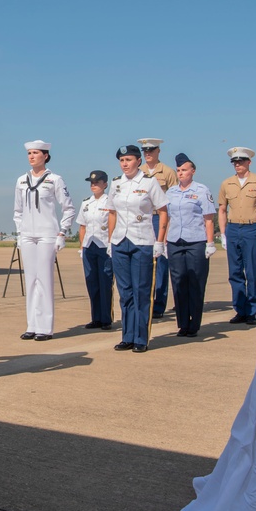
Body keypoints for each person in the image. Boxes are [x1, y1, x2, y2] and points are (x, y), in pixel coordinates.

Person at [108, 145, 168, 353]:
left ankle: (141, 337)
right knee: (125, 293)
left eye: (129, 160)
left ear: (138, 161)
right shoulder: (116, 184)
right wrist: (110, 241)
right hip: (120, 242)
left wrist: (160, 241)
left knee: (141, 291)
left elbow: (162, 211)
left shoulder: (149, 183)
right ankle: (128, 335)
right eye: (122, 160)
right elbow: (112, 213)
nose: (125, 164)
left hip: (142, 241)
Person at [13, 140, 75, 341]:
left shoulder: (55, 179)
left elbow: (68, 208)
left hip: (48, 233)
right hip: (28, 235)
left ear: (45, 156)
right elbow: (18, 211)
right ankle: (31, 324)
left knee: (44, 279)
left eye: (36, 153)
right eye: (29, 153)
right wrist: (19, 234)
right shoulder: (21, 180)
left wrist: (62, 232)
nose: (32, 156)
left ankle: (45, 327)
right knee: (30, 279)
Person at [218, 147, 256, 326]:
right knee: (235, 272)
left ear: (249, 162)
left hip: (252, 229)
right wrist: (224, 233)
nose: (238, 165)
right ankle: (239, 309)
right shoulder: (227, 183)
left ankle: (252, 310)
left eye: (241, 161)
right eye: (235, 162)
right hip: (233, 229)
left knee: (251, 271)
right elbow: (222, 209)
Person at [165, 153, 217, 337]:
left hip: (196, 241)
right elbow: (168, 218)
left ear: (193, 171)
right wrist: (164, 241)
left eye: (184, 170)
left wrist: (210, 243)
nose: (181, 173)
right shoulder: (171, 192)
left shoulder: (202, 190)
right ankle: (182, 323)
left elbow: (209, 219)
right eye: (178, 170)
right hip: (174, 242)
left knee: (195, 282)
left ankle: (194, 323)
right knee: (178, 282)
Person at [138, 138, 177, 318]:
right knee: (143, 262)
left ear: (158, 151)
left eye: (151, 150)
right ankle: (146, 301)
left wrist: (169, 228)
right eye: (145, 150)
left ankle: (159, 305)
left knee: (161, 263)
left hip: (160, 218)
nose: (148, 153)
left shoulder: (168, 172)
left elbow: (174, 200)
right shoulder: (139, 172)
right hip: (142, 219)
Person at [76, 170, 113, 330]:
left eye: (97, 183)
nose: (94, 185)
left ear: (105, 184)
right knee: (92, 282)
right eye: (92, 183)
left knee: (105, 282)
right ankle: (95, 318)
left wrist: (112, 243)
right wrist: (81, 247)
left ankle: (106, 319)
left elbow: (113, 224)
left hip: (104, 246)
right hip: (89, 246)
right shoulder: (86, 203)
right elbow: (82, 226)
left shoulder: (110, 202)